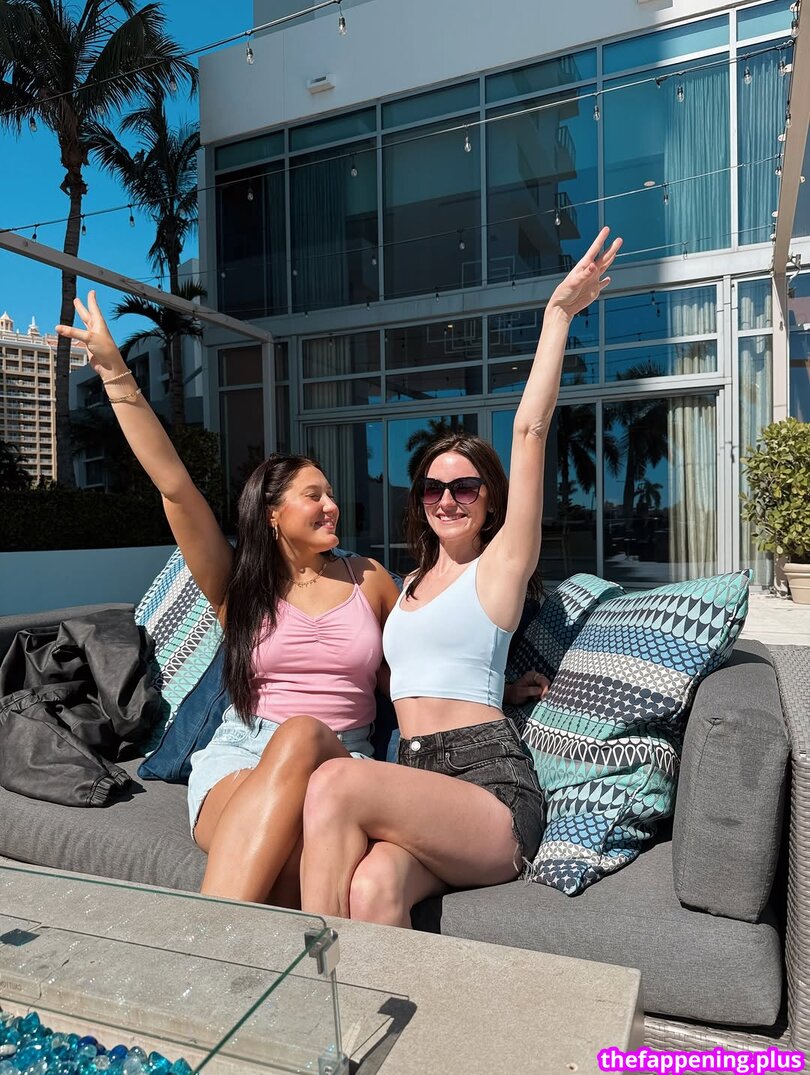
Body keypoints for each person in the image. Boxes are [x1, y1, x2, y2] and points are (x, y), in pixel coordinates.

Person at [299, 227, 622, 926]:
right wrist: (503, 687)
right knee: (373, 888)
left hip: (489, 785)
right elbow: (421, 675)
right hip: (417, 781)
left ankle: (302, 982)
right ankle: (374, 1001)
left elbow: (530, 431)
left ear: (490, 501)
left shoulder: (499, 568)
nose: (447, 499)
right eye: (433, 488)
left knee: (334, 783)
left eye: (465, 487)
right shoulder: (408, 586)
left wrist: (557, 315)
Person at [56, 295, 401, 907]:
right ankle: (223, 950)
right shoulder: (241, 588)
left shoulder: (370, 579)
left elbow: (413, 672)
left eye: (330, 494)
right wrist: (115, 374)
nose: (332, 505)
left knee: (303, 737)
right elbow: (175, 488)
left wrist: (503, 688)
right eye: (313, 495)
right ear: (272, 515)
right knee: (290, 871)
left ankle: (204, 949)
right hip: (243, 755)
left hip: (344, 763)